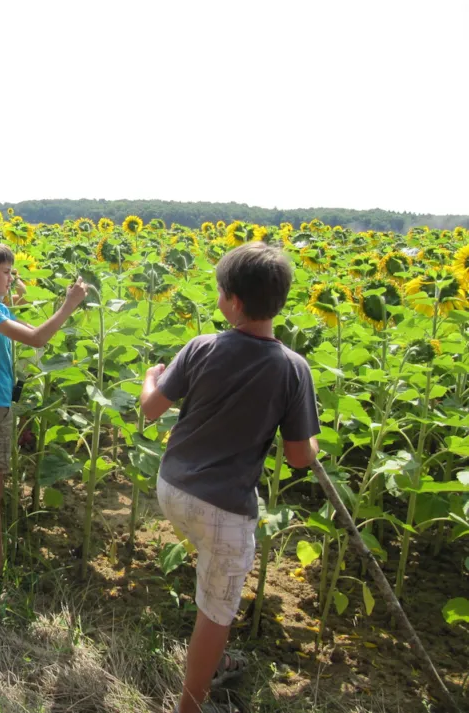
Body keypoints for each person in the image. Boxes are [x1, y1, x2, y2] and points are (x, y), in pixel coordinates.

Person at [139, 242, 320, 713]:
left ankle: (208, 664)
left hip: (173, 487)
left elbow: (151, 408)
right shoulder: (293, 368)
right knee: (217, 609)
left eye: (220, 291)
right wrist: (314, 444)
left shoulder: (202, 346)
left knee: (211, 572)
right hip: (224, 508)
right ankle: (191, 703)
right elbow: (299, 457)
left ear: (233, 302)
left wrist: (149, 377)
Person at [0, 239, 87, 573]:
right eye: (6, 272)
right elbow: (37, 339)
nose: (10, 278)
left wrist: (52, 302)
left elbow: (32, 330)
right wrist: (69, 305)